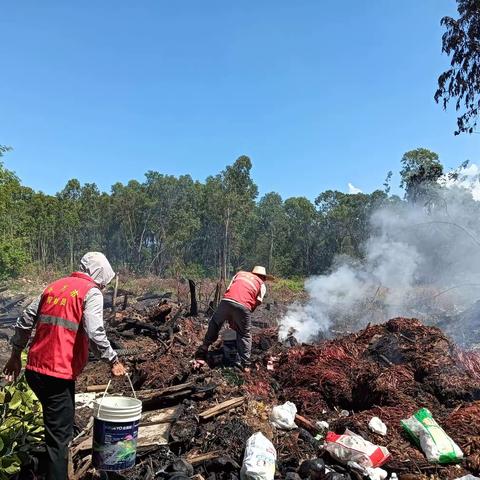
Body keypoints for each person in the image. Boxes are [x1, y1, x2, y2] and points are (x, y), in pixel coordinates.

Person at [2, 252, 127, 480]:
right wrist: (113, 360)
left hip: (35, 371)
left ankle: (34, 466)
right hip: (57, 375)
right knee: (60, 438)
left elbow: (24, 321)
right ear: (100, 275)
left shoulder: (54, 287)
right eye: (104, 283)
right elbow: (95, 332)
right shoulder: (91, 293)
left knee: (58, 428)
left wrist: (15, 355)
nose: (104, 287)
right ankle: (45, 470)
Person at [194, 266, 270, 370]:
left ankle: (204, 347)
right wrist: (243, 316)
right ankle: (245, 364)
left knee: (215, 323)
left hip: (226, 301)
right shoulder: (261, 284)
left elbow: (229, 289)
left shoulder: (240, 274)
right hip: (243, 306)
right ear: (263, 277)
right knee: (245, 334)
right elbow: (258, 302)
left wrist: (231, 315)